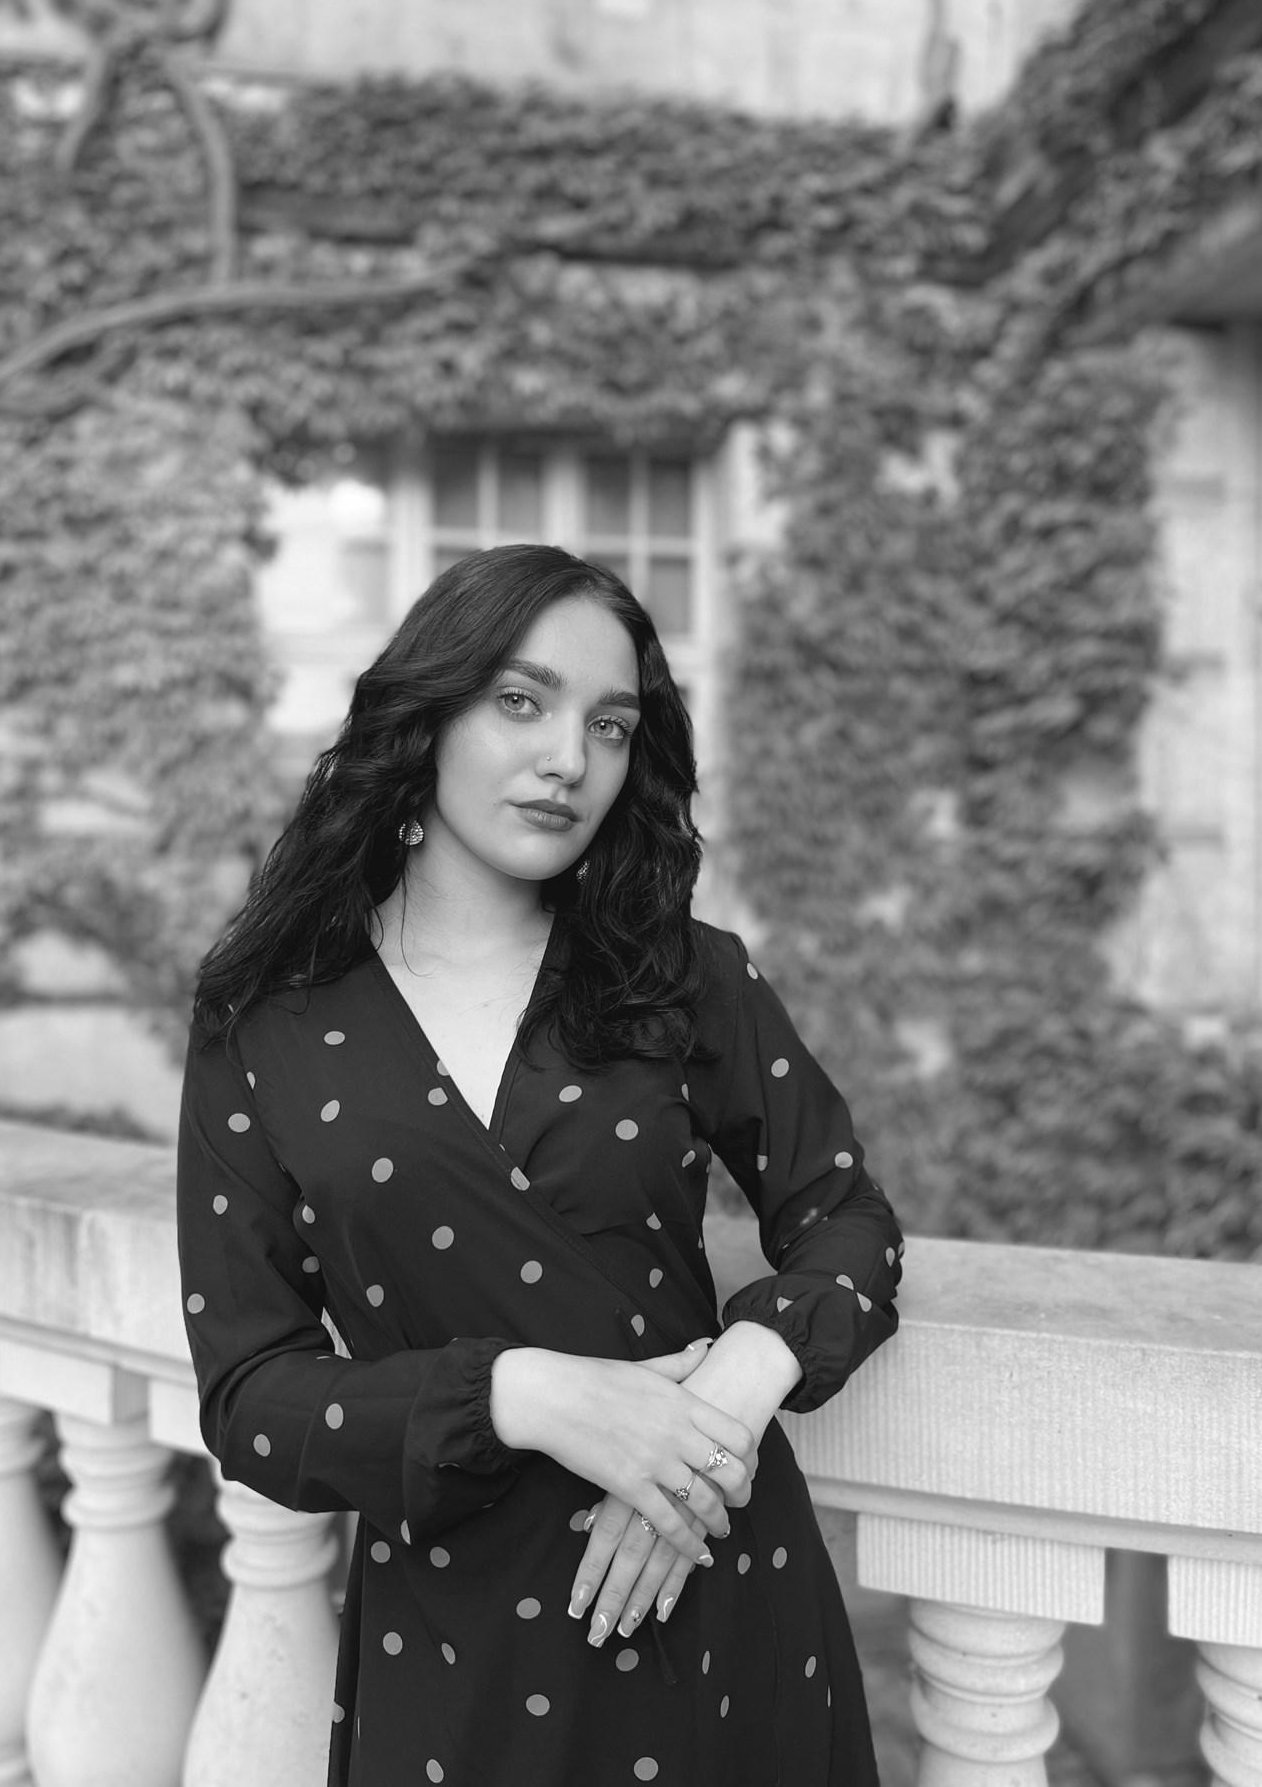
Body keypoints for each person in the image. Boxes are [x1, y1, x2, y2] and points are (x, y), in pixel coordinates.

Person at [177, 543, 902, 1787]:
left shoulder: (683, 974)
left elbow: (846, 1215)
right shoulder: (266, 1023)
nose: (570, 757)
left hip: (716, 1593)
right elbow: (251, 1399)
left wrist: (724, 1401)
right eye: (522, 701)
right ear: (426, 716)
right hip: (453, 1644)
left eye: (609, 724)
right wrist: (525, 1395)